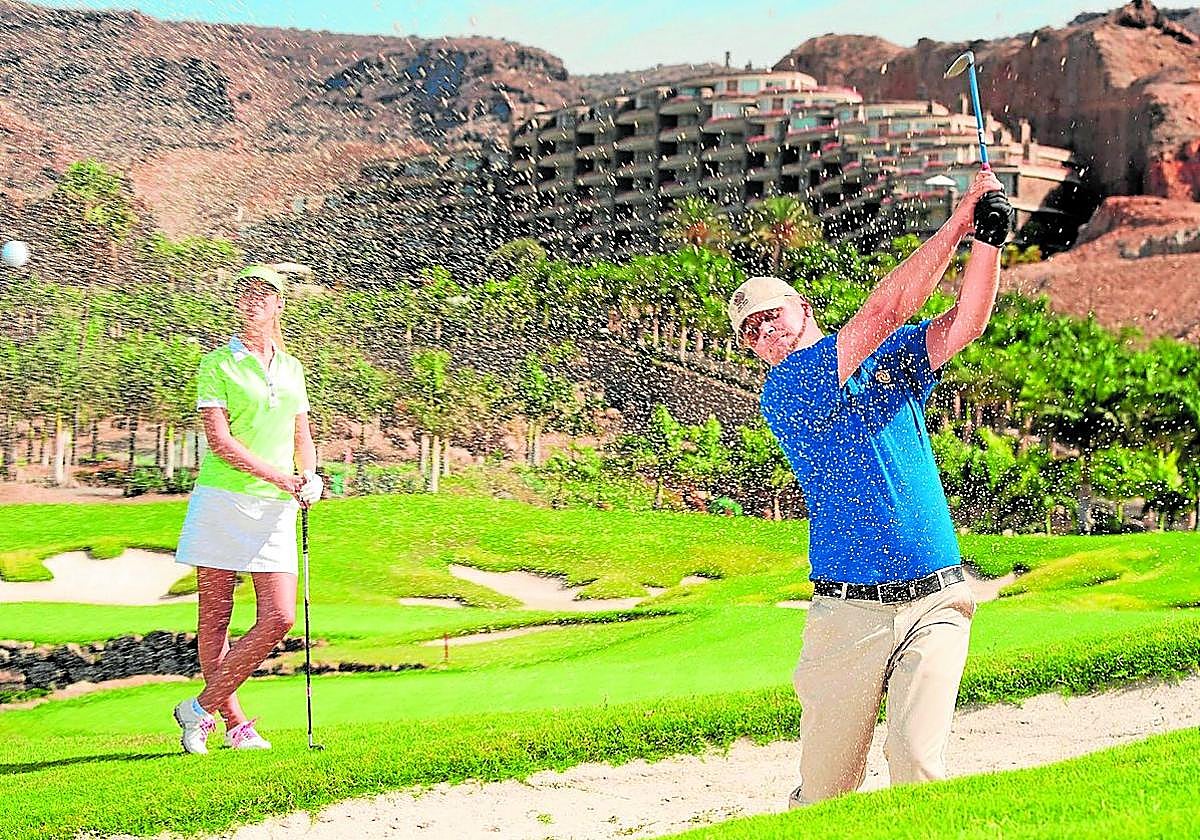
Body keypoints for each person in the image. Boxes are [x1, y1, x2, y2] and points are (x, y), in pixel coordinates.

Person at [726, 170, 1014, 805]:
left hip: (937, 599)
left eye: (771, 315)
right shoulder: (788, 388)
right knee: (827, 792)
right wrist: (959, 221)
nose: (764, 331)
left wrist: (988, 239)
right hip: (847, 615)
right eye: (751, 330)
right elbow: (886, 310)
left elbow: (966, 322)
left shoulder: (885, 358)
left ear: (804, 309)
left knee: (915, 762)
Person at [172, 264, 324, 754]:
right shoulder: (217, 363)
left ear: (280, 304)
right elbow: (220, 442)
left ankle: (198, 709)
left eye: (264, 293)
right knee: (215, 618)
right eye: (246, 293)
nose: (253, 300)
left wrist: (310, 474)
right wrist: (283, 478)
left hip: (275, 509)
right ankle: (235, 725)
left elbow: (301, 434)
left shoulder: (292, 368)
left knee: (279, 616)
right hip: (222, 500)